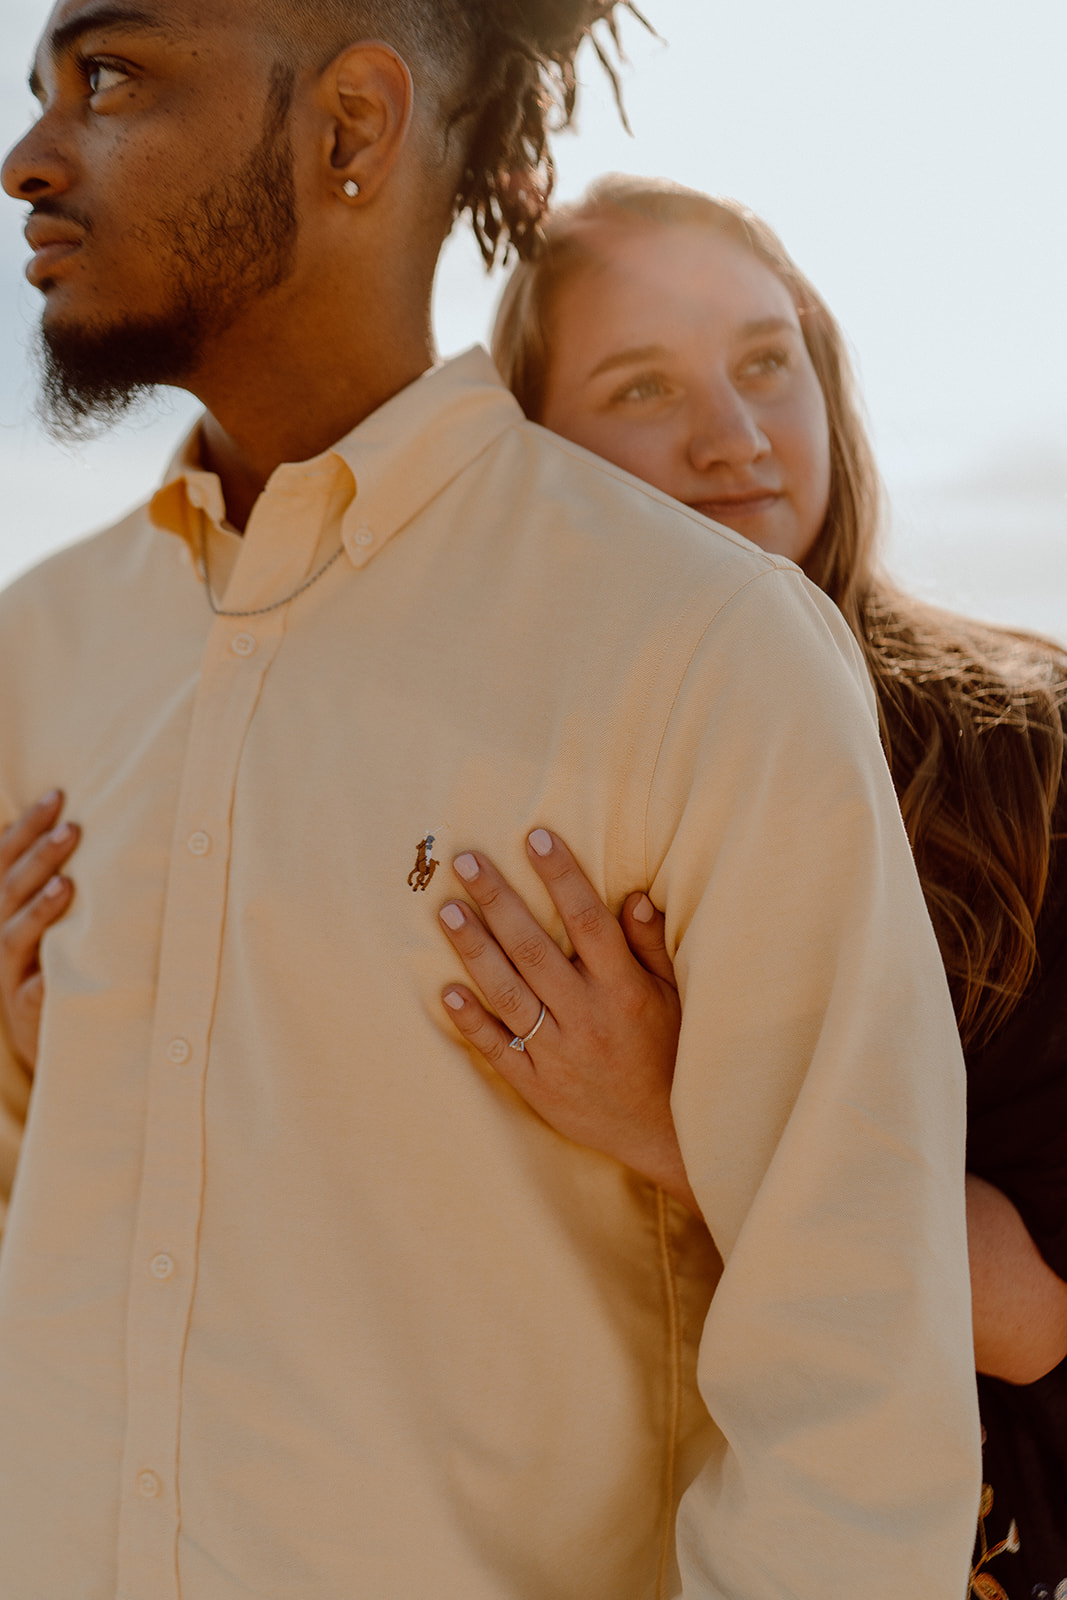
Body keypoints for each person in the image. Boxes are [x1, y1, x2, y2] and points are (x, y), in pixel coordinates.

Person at [0, 5, 981, 1594]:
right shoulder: (39, 648)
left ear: (350, 131)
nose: (28, 159)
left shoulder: (705, 655)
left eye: (108, 79)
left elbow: (859, 1376)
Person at [431, 175, 1067, 1598]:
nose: (735, 439)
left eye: (766, 365)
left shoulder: (1026, 756)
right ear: (533, 454)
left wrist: (679, 1118)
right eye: (645, 384)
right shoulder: (461, 787)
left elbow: (1038, 1315)